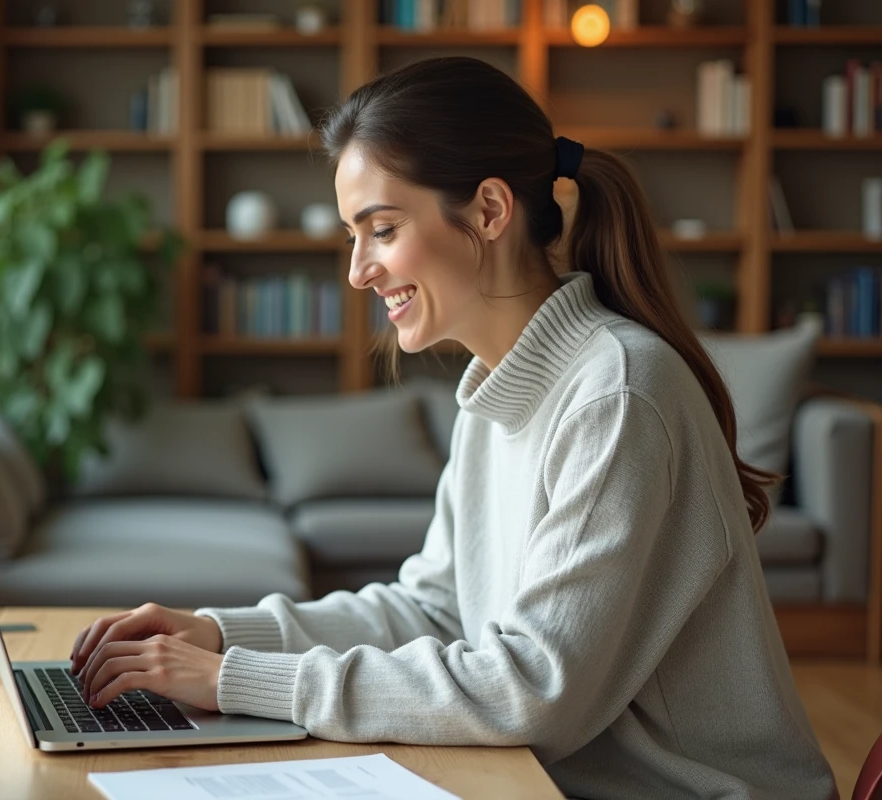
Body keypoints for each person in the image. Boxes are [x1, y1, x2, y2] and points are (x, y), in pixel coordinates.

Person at [68, 57, 836, 799]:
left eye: (382, 228)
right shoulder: (494, 396)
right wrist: (220, 636)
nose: (357, 271)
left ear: (491, 212)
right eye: (352, 235)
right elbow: (432, 610)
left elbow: (531, 689)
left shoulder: (619, 393)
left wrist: (236, 682)